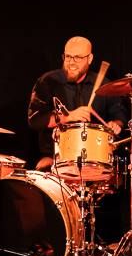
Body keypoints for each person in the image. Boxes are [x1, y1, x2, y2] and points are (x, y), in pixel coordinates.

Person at [27, 36, 126, 171]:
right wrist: (67, 117)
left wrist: (115, 124)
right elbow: (35, 120)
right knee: (42, 169)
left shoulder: (104, 85)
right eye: (68, 57)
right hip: (55, 157)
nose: (71, 63)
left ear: (90, 58)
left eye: (78, 58)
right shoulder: (47, 82)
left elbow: (119, 115)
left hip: (95, 158)